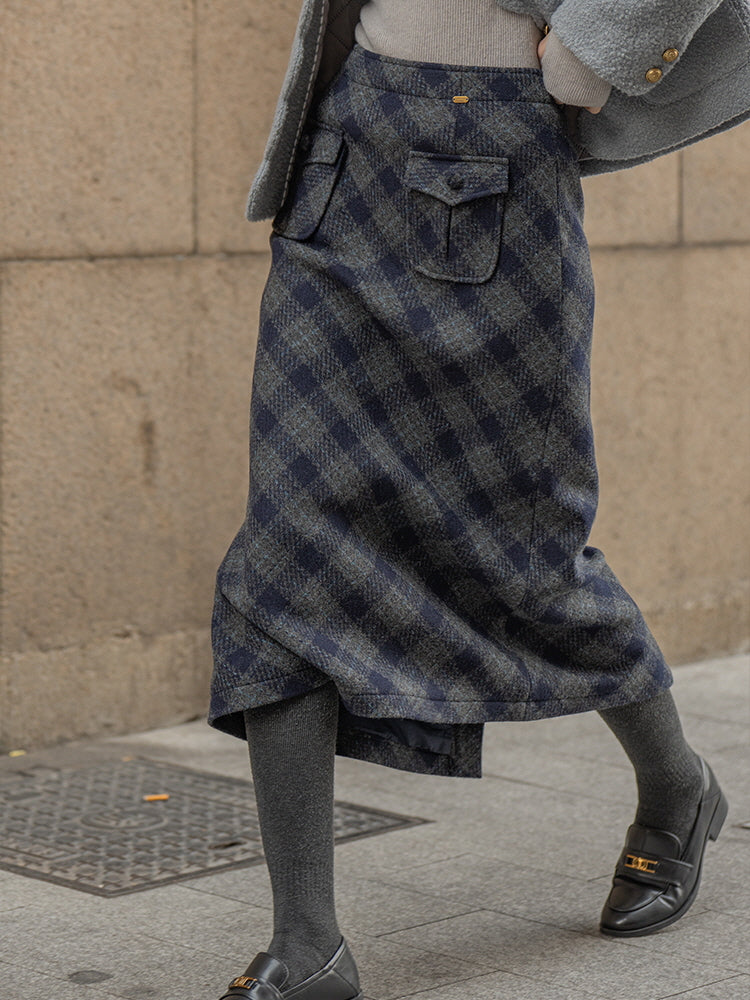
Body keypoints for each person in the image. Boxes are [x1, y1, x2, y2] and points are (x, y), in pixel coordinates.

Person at [209, 2, 748, 998]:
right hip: (348, 143)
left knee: (522, 553)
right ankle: (310, 943)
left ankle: (679, 786)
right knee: (287, 545)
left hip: (495, 146)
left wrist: (596, 48)